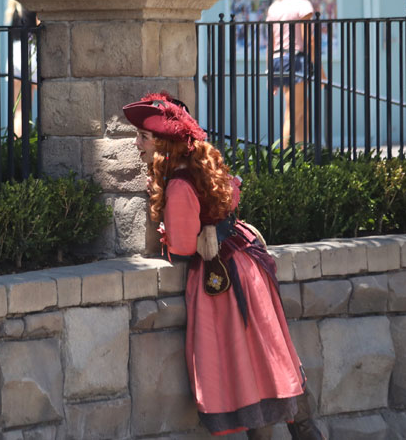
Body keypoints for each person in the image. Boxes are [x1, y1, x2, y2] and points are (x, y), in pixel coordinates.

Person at [123, 92, 323, 439]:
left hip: (226, 283)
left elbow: (183, 247)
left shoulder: (179, 184)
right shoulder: (199, 166)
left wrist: (168, 233)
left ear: (163, 143)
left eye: (143, 137)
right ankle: (307, 432)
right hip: (247, 266)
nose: (137, 143)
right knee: (270, 359)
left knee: (249, 370)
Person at [266, 0, 316, 148]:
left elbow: (270, 45)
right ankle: (284, 161)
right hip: (296, 59)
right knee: (294, 113)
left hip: (279, 60)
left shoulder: (275, 7)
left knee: (302, 111)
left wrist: (270, 74)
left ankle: (302, 157)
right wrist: (319, 69)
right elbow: (308, 39)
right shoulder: (303, 4)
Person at [5, 0, 43, 138]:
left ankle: (14, 143)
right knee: (26, 108)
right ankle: (25, 144)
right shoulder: (33, 6)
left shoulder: (13, 8)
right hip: (29, 54)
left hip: (14, 55)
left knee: (17, 109)